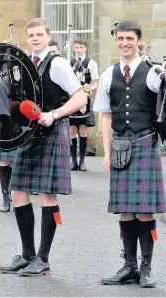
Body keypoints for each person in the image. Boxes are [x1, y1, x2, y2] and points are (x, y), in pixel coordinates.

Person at [0, 18, 87, 276]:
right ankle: (27, 255)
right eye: (31, 35)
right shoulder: (24, 64)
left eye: (39, 34)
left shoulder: (57, 64)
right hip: (28, 134)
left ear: (48, 37)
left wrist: (55, 114)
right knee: (18, 192)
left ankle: (43, 259)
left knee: (47, 195)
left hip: (52, 130)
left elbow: (80, 97)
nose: (35, 39)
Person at [94, 20, 165, 288]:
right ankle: (129, 266)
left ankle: (146, 269)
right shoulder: (108, 74)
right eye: (120, 38)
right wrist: (106, 151)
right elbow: (106, 114)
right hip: (120, 145)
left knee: (145, 212)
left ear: (138, 40)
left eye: (130, 38)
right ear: (115, 40)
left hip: (145, 142)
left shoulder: (153, 72)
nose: (125, 43)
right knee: (124, 211)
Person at [69, 38, 99, 171]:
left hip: (84, 101)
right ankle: (73, 161)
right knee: (72, 130)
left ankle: (82, 162)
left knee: (83, 129)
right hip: (71, 100)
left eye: (81, 47)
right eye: (77, 48)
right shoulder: (69, 63)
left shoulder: (90, 63)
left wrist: (88, 89)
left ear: (85, 48)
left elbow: (95, 83)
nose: (79, 50)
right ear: (73, 49)